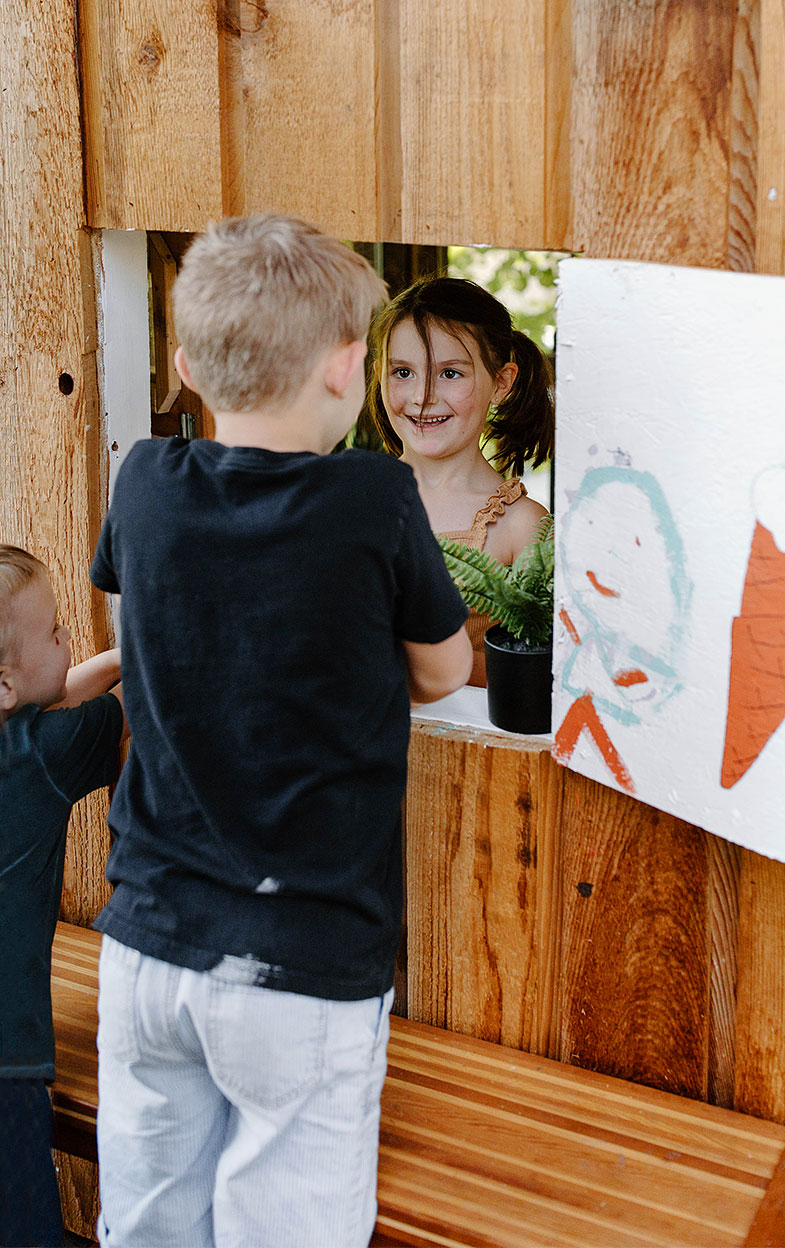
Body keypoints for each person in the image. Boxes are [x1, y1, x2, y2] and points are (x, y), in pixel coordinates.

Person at [89, 215, 472, 1248]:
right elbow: (445, 669)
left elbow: (152, 610)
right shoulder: (376, 496)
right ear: (350, 369)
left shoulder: (145, 482)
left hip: (148, 947)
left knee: (147, 1230)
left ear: (181, 367)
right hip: (302, 963)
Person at [0, 545, 124, 1248]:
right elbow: (130, 706)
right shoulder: (46, 752)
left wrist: (109, 660)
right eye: (54, 632)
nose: (67, 637)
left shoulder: (19, 733)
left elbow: (58, 688)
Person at [366, 276, 555, 685]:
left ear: (501, 382)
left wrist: (421, 659)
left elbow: (547, 675)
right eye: (402, 372)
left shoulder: (522, 525)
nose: (422, 396)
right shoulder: (350, 498)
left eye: (450, 374)